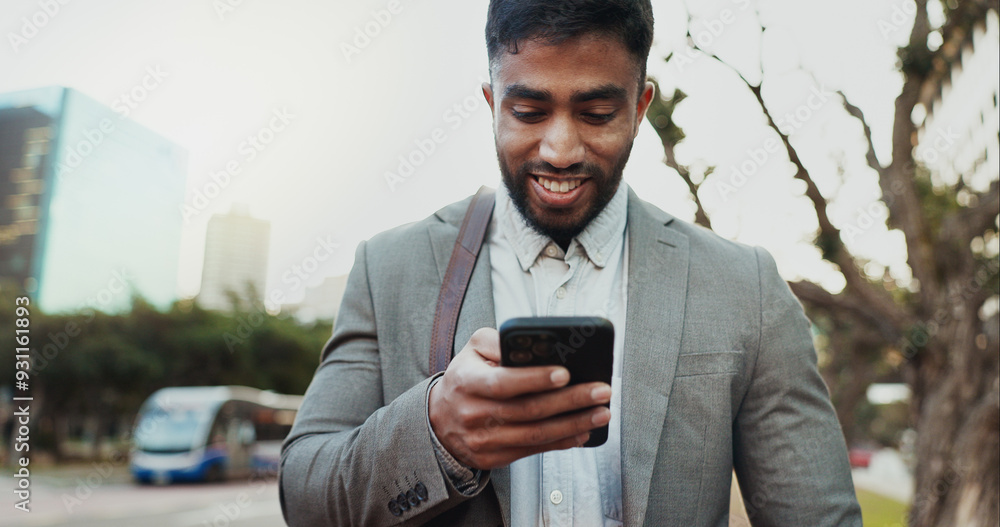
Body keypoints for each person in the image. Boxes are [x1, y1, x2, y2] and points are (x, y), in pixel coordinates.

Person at [279, 0, 863, 525]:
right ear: (491, 102)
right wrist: (434, 432)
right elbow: (304, 496)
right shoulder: (388, 268)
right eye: (529, 112)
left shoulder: (743, 286)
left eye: (597, 113)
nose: (560, 151)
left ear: (640, 106)